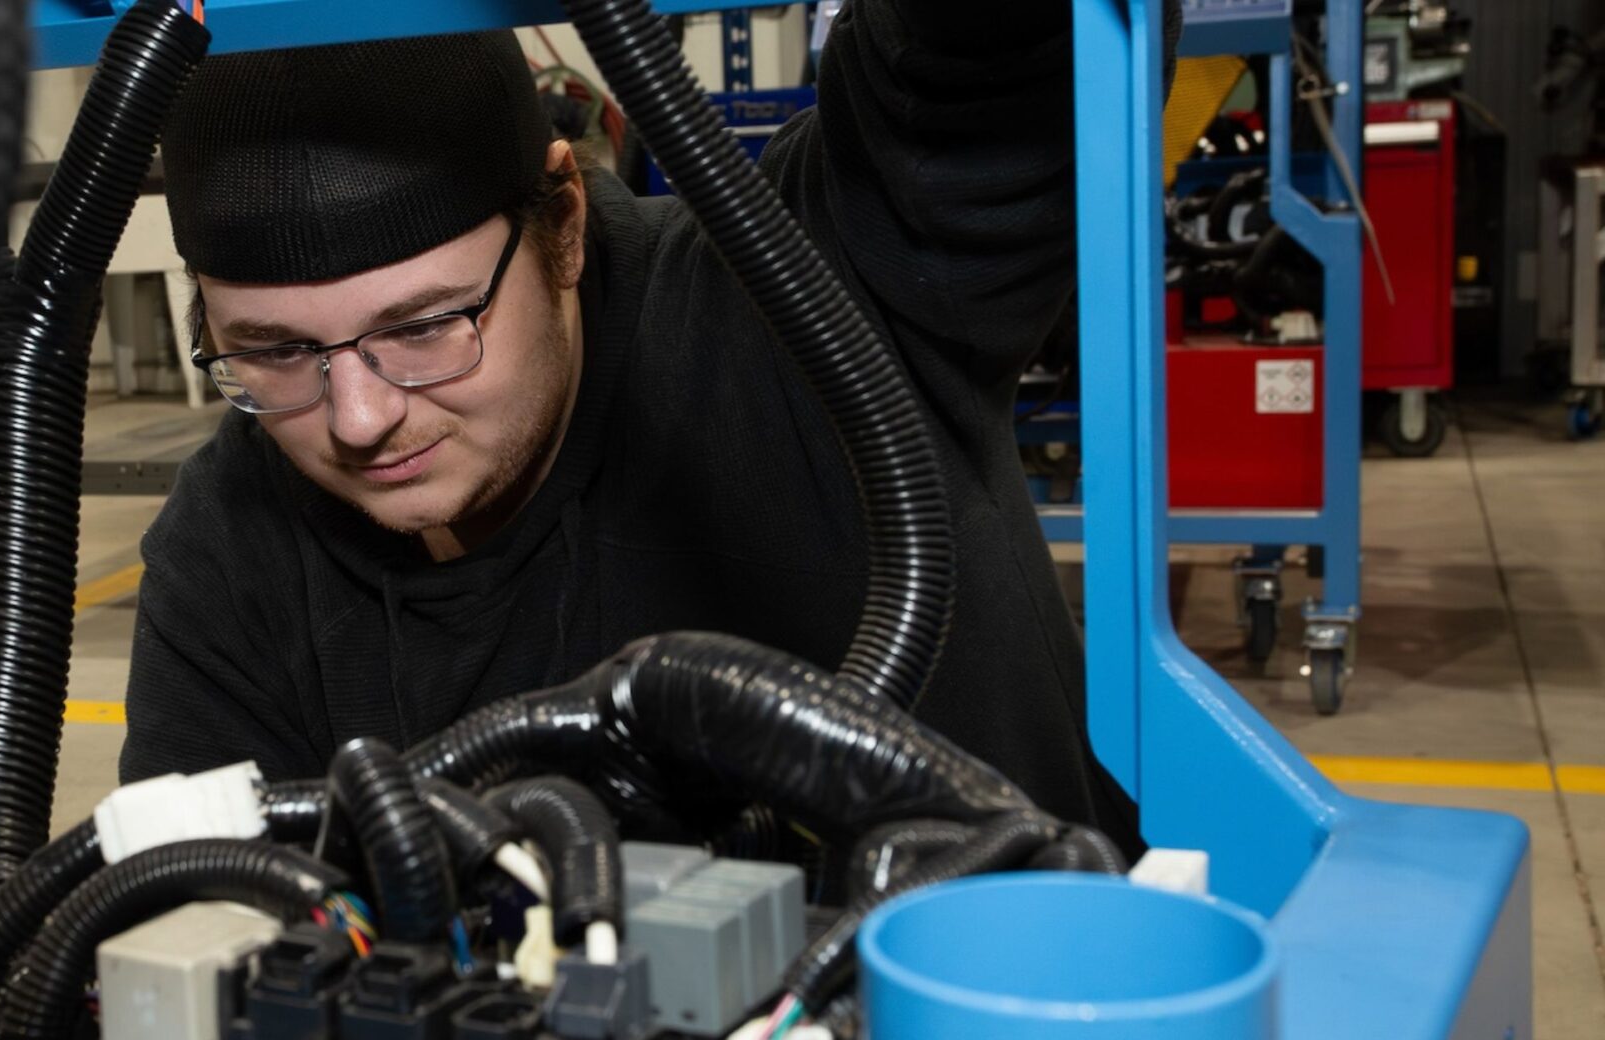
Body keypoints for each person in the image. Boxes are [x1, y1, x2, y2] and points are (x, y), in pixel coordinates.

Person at [121, 4, 1169, 848]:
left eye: (429, 324)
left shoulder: (823, 294)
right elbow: (185, 918)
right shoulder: (227, 541)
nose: (358, 418)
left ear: (562, 225)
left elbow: (997, 58)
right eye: (275, 351)